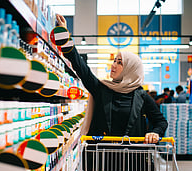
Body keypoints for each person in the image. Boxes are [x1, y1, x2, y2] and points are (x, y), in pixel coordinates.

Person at [56, 14, 168, 143]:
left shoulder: (141, 96)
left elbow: (160, 121)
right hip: (101, 156)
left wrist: (154, 132)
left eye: (120, 63)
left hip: (133, 158)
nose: (113, 65)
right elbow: (80, 67)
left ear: (130, 69)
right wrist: (64, 36)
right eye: (114, 61)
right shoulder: (101, 89)